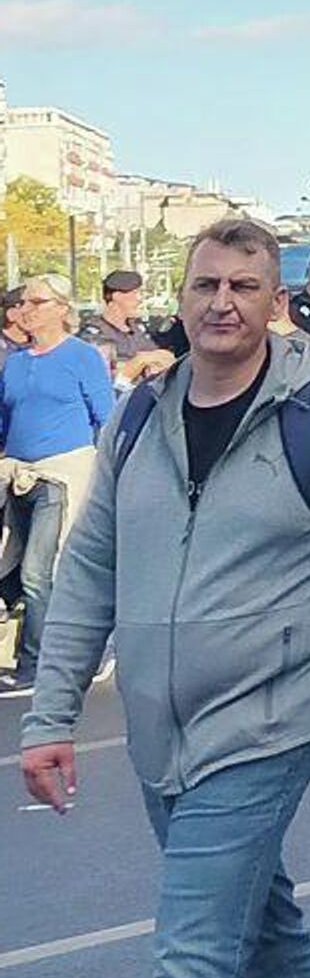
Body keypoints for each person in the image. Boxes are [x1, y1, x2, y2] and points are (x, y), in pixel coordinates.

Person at [20, 217, 310, 978]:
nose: (222, 303)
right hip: (161, 736)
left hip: (264, 732)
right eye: (206, 285)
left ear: (274, 302)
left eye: (242, 286)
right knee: (265, 934)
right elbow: (91, 570)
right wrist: (50, 717)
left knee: (192, 961)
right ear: (183, 297)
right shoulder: (135, 420)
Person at [0, 276, 113, 696]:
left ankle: (39, 664)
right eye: (22, 302)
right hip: (19, 476)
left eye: (36, 301)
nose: (25, 309)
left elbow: (107, 415)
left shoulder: (80, 357)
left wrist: (107, 475)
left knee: (38, 572)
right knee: (12, 571)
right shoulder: (16, 361)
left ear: (61, 309)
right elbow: (5, 419)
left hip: (62, 476)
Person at [79, 268, 174, 387]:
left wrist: (148, 362)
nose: (139, 300)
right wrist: (142, 360)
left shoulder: (138, 329)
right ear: (117, 296)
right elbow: (107, 379)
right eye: (135, 294)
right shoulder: (94, 335)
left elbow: (164, 357)